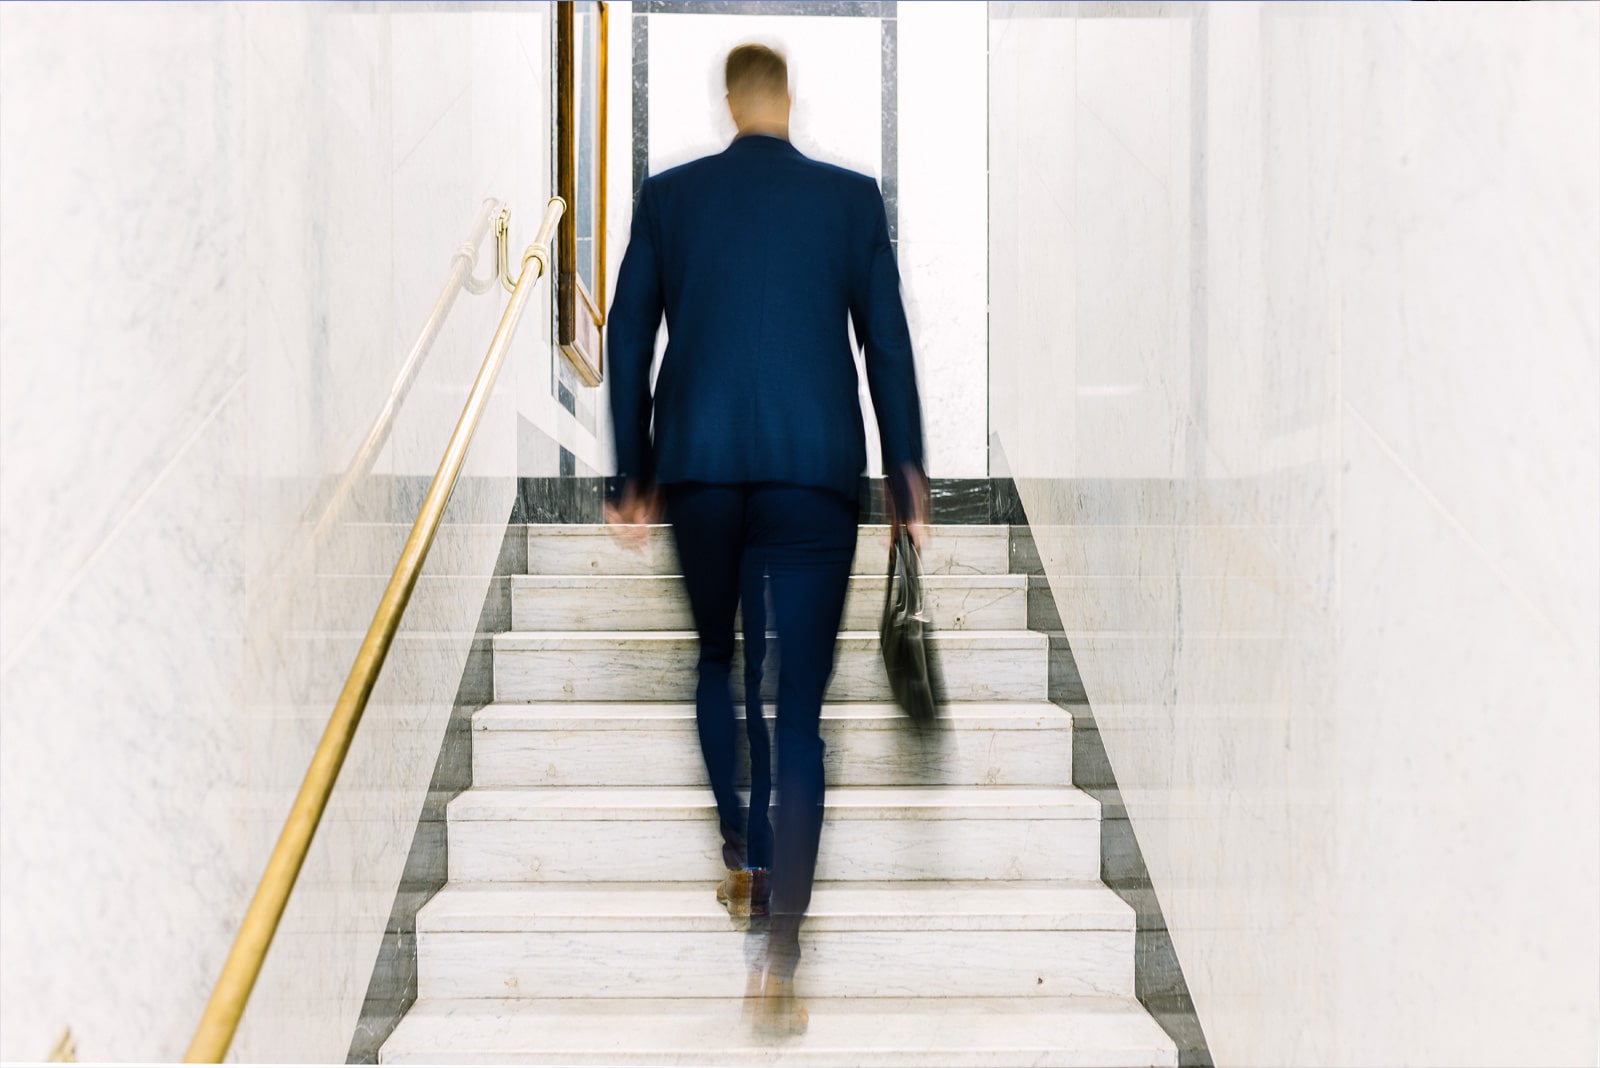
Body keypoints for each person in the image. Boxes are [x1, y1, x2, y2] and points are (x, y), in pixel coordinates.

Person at [604, 41, 928, 1033]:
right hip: (812, 474)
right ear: (786, 99)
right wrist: (907, 478)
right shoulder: (849, 200)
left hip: (701, 470)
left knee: (718, 661)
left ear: (729, 103)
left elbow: (627, 334)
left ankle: (744, 853)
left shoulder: (671, 198)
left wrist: (632, 474)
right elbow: (886, 344)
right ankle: (778, 957)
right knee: (796, 717)